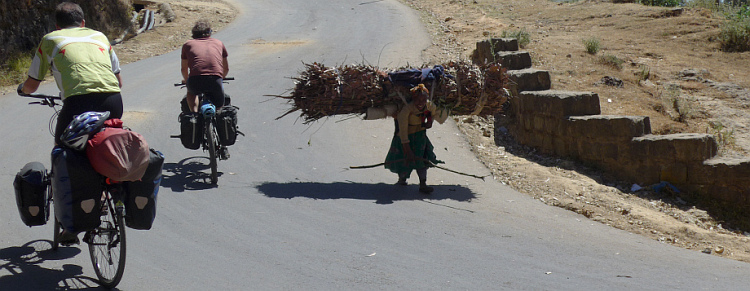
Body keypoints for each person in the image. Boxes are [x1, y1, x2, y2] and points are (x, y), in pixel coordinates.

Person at [17, 2, 124, 245]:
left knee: (62, 153)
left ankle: (72, 226)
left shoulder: (50, 39)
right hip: (113, 100)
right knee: (106, 144)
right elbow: (118, 80)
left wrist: (22, 90)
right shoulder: (100, 36)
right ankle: (112, 196)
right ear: (83, 22)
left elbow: (32, 84)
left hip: (77, 104)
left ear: (57, 25)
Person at [385, 84, 448, 194]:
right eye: (418, 100)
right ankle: (402, 179)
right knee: (404, 158)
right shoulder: (405, 111)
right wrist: (407, 150)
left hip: (420, 136)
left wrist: (429, 122)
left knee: (421, 159)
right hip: (405, 137)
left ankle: (423, 184)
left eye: (423, 99)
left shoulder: (428, 105)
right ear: (413, 99)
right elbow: (403, 132)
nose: (421, 102)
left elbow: (432, 114)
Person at [180, 19, 229, 112]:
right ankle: (218, 119)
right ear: (210, 32)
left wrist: (187, 81)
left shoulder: (187, 44)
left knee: (191, 93)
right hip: (215, 80)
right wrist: (221, 77)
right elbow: (226, 68)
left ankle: (194, 114)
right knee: (219, 108)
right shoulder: (218, 43)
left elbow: (184, 69)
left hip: (195, 80)